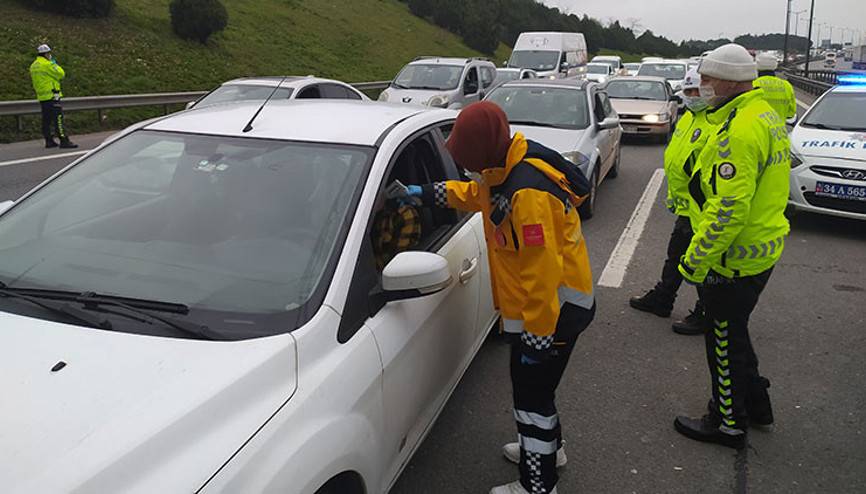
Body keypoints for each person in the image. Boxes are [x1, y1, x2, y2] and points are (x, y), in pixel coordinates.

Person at [406, 101, 595, 494]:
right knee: (538, 391)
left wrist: (538, 337)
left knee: (530, 397)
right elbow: (478, 194)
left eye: (467, 159)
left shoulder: (528, 193)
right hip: (549, 310)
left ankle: (537, 484)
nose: (468, 168)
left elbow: (541, 275)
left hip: (554, 313)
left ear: (482, 149)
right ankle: (548, 450)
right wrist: (422, 192)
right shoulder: (507, 164)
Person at [674, 43, 790, 449]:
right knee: (736, 332)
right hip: (761, 248)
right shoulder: (764, 116)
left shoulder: (739, 129)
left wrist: (694, 261)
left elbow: (728, 209)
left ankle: (727, 422)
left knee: (722, 341)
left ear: (730, 81)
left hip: (733, 258)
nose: (702, 85)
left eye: (707, 78)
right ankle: (758, 406)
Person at [629, 68, 713, 335]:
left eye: (697, 91)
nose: (692, 96)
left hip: (705, 208)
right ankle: (663, 298)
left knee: (702, 261)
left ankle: (706, 311)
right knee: (676, 255)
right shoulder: (688, 118)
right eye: (688, 92)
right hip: (686, 206)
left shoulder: (716, 121)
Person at [29, 44, 77, 149]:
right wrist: (53, 63)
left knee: (46, 119)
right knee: (58, 118)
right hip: (52, 95)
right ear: (46, 54)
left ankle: (48, 140)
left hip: (42, 96)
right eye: (49, 53)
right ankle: (64, 140)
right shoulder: (47, 64)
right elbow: (61, 74)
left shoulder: (33, 65)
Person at [753, 52, 797, 122]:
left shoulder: (752, 85)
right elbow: (791, 113)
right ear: (775, 65)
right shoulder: (786, 86)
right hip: (778, 130)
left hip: (757, 130)